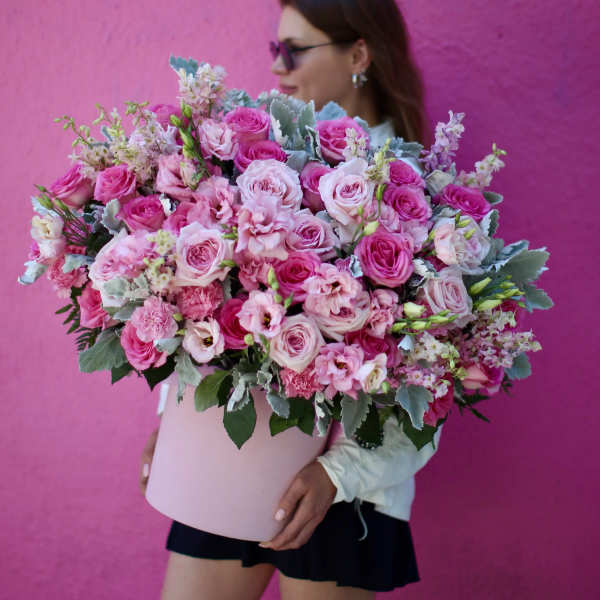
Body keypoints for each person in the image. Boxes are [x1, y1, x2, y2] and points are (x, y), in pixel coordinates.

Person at [140, 1, 441, 598]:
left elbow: (432, 384)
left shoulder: (422, 194)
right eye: (276, 49)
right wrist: (176, 417)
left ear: (359, 55)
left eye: (295, 50)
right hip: (229, 455)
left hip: (346, 491)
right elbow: (207, 310)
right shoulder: (260, 163)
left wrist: (338, 474)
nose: (278, 66)